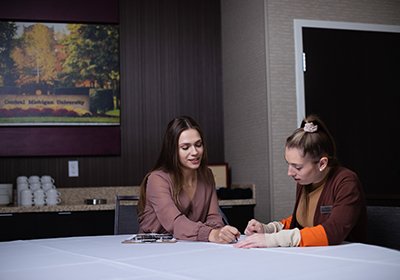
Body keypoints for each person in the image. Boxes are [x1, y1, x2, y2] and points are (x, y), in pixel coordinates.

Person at [234, 114, 367, 248]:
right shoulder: (305, 180)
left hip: (347, 256)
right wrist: (270, 229)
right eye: (288, 164)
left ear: (322, 164)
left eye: (297, 167)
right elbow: (301, 220)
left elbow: (333, 232)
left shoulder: (346, 182)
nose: (290, 172)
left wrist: (274, 239)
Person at [138, 116, 240, 243]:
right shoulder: (156, 179)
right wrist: (211, 234)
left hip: (192, 247)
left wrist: (221, 233)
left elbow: (213, 217)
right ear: (172, 150)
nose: (195, 152)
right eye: (185, 147)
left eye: (198, 145)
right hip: (154, 249)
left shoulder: (206, 175)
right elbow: (175, 222)